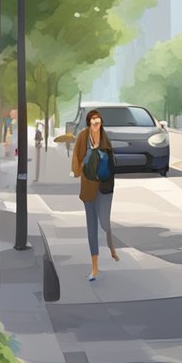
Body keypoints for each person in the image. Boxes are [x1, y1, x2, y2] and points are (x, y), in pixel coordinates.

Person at [70, 109, 118, 281]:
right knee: (92, 226)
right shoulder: (83, 136)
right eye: (93, 122)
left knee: (105, 222)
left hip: (105, 186)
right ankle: (95, 267)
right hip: (89, 186)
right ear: (89, 123)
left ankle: (112, 248)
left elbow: (112, 162)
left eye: (98, 122)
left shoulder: (105, 137)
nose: (96, 125)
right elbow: (76, 155)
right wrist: (76, 171)